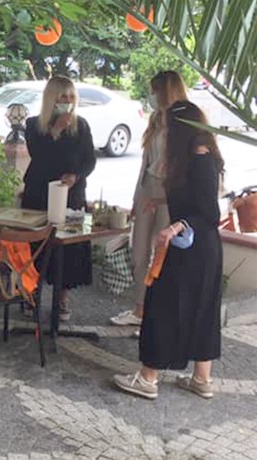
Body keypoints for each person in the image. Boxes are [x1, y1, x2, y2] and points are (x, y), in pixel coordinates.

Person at [114, 101, 224, 400]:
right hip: (201, 250)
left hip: (191, 248)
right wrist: (161, 202)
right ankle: (201, 379)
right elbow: (193, 198)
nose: (163, 133)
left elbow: (209, 214)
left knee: (162, 306)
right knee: (202, 308)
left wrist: (175, 226)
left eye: (166, 127)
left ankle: (148, 378)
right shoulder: (193, 157)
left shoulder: (200, 159)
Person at [110, 71, 188, 332]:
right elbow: (145, 162)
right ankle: (139, 308)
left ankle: (156, 312)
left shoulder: (183, 121)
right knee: (139, 250)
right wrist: (136, 198)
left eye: (156, 91)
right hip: (147, 187)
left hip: (168, 192)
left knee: (161, 251)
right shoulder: (156, 119)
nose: (152, 96)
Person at [21, 76, 96, 321]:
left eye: (71, 96)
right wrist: (55, 131)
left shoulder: (81, 125)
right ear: (51, 98)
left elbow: (89, 159)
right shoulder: (34, 125)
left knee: (68, 248)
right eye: (62, 96)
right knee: (37, 245)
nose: (67, 101)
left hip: (71, 195)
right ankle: (32, 293)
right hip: (39, 193)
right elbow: (39, 155)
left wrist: (76, 175)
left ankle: (62, 299)